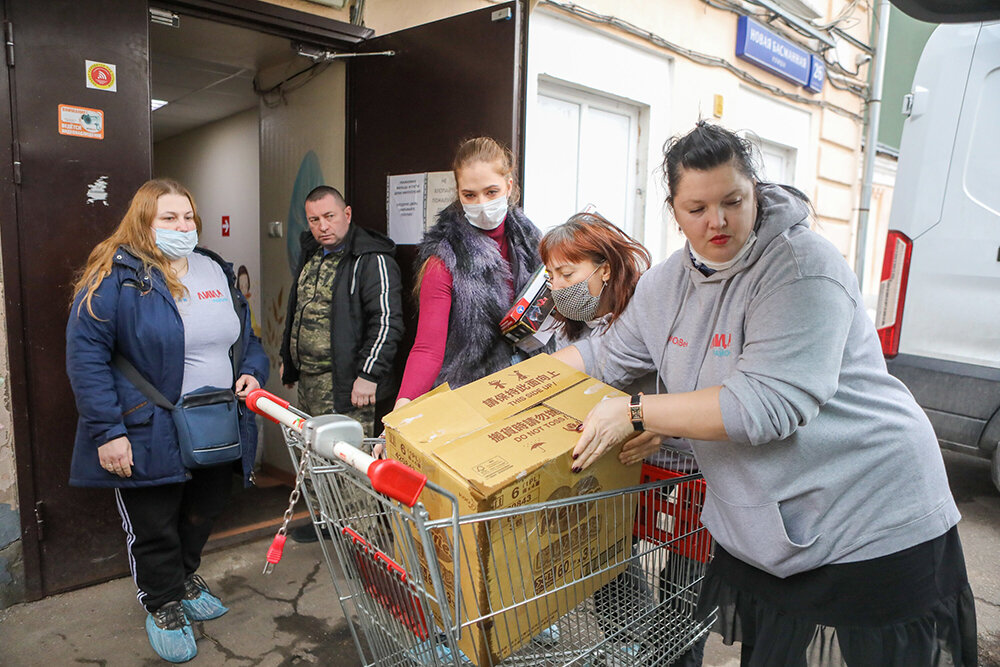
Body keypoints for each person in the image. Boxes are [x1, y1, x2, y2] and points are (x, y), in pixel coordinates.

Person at [554, 121, 977, 666]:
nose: (718, 221)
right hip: (768, 526)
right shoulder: (668, 283)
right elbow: (603, 357)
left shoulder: (804, 268)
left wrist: (635, 412)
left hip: (870, 513)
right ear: (673, 209)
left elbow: (767, 403)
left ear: (756, 190)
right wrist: (500, 394)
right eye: (697, 208)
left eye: (733, 200)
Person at [66, 178, 269, 663]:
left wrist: (252, 372)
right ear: (143, 222)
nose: (183, 227)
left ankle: (182, 578)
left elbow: (247, 336)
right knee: (154, 521)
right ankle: (161, 603)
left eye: (187, 218)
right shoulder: (115, 277)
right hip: (145, 423)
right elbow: (86, 358)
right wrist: (108, 432)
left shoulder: (213, 268)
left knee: (205, 507)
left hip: (216, 420)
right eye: (168, 219)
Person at [541, 213, 706, 666]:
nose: (558, 285)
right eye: (552, 275)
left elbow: (697, 386)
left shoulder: (648, 311)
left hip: (687, 465)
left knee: (685, 584)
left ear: (605, 268)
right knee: (609, 554)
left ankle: (675, 655)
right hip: (623, 464)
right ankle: (635, 644)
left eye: (568, 273)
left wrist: (657, 424)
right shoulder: (566, 327)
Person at [279, 184, 403, 542]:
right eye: (314, 219)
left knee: (351, 469)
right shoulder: (312, 254)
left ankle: (364, 544)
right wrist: (290, 361)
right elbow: (299, 311)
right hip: (311, 383)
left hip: (350, 386)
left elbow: (387, 321)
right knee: (313, 461)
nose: (322, 226)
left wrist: (369, 374)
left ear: (347, 214)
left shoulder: (372, 258)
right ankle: (332, 528)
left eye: (329, 217)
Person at [393, 136, 544, 409]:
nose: (482, 204)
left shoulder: (531, 240)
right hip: (473, 398)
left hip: (529, 387)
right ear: (458, 192)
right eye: (470, 195)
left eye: (491, 192)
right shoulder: (445, 259)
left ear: (509, 186)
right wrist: (402, 407)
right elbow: (428, 348)